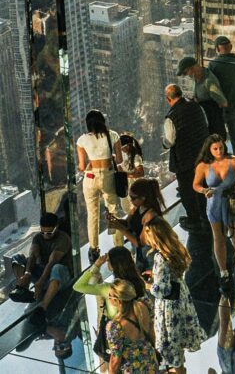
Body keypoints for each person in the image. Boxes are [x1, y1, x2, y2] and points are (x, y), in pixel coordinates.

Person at [141, 218, 204, 372]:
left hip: (169, 307)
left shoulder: (160, 257)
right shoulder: (175, 248)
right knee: (179, 341)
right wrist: (156, 275)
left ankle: (178, 369)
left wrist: (149, 285)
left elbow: (162, 290)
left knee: (173, 347)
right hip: (181, 297)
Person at [74, 247, 150, 368]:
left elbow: (78, 286)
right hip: (140, 345)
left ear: (113, 265)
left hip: (119, 343)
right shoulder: (139, 282)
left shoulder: (110, 290)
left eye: (108, 260)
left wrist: (96, 265)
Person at [193, 134, 235, 296]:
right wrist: (204, 190)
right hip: (214, 204)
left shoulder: (234, 161)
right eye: (215, 148)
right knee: (218, 238)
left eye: (221, 147)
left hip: (232, 202)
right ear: (209, 149)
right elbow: (195, 184)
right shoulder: (203, 166)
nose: (219, 151)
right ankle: (223, 272)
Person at [76, 109, 124, 264]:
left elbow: (82, 166)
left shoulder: (82, 140)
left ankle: (94, 249)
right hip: (107, 175)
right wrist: (111, 157)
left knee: (92, 214)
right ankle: (118, 246)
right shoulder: (113, 135)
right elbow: (119, 159)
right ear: (103, 121)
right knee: (113, 210)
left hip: (90, 178)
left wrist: (86, 166)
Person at [162, 83, 209, 230]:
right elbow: (205, 124)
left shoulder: (171, 117)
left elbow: (169, 141)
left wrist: (163, 143)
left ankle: (194, 220)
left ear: (168, 99)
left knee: (187, 191)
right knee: (203, 185)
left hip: (184, 159)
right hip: (202, 154)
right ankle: (206, 215)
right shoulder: (195, 106)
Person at [12, 212, 73, 319]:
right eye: (43, 232)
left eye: (49, 233)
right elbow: (32, 256)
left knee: (56, 268)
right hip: (43, 272)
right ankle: (22, 289)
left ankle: (43, 306)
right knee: (17, 258)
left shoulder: (63, 239)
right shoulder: (38, 237)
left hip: (59, 278)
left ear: (56, 227)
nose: (45, 235)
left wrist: (41, 281)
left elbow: (52, 261)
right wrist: (27, 274)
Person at [105, 279, 160, 373]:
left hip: (133, 369)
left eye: (110, 296)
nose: (108, 298)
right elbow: (152, 333)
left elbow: (115, 360)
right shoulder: (145, 304)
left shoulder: (115, 326)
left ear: (118, 301)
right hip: (150, 361)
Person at [177, 55, 228, 139]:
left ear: (192, 68)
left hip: (214, 124)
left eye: (185, 73)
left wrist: (209, 106)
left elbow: (223, 102)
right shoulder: (197, 78)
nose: (185, 76)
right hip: (206, 121)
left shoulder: (208, 81)